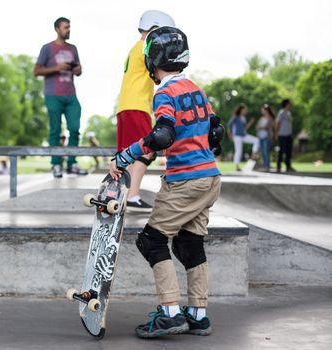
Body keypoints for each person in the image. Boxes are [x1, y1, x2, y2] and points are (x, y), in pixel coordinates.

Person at [110, 26, 224, 338]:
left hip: (184, 181)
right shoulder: (196, 89)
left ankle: (171, 313)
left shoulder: (164, 92)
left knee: (152, 240)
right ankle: (198, 315)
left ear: (151, 61)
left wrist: (125, 156)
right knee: (189, 243)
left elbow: (162, 134)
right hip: (210, 178)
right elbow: (216, 131)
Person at [116, 10, 175, 212]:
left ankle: (123, 194)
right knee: (147, 151)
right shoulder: (145, 47)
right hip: (137, 105)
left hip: (126, 106)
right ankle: (132, 196)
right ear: (155, 29)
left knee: (130, 153)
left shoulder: (136, 47)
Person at [34, 17, 88, 178]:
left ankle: (72, 164)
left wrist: (77, 68)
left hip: (70, 94)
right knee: (55, 130)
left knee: (74, 128)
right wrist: (57, 67)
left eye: (69, 27)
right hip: (53, 94)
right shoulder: (47, 48)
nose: (68, 30)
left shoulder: (73, 48)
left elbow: (78, 72)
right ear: (57, 29)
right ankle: (56, 164)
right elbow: (36, 71)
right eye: (65, 27)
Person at [227, 104, 259, 171]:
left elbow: (245, 128)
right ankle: (237, 166)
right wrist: (230, 135)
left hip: (244, 135)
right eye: (245, 109)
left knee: (256, 140)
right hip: (237, 136)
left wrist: (250, 122)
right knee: (238, 151)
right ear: (241, 110)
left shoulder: (243, 118)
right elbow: (229, 125)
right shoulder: (235, 117)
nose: (246, 111)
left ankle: (253, 155)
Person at [276, 99, 296, 172]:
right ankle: (278, 166)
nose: (290, 105)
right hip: (282, 135)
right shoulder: (281, 112)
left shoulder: (289, 113)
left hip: (288, 135)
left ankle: (288, 166)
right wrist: (277, 133)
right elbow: (278, 123)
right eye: (289, 104)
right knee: (281, 151)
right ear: (286, 104)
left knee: (288, 151)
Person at [256, 104, 275, 170]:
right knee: (263, 152)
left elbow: (268, 128)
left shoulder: (270, 118)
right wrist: (261, 128)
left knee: (266, 152)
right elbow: (257, 127)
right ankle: (265, 165)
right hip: (261, 137)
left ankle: (267, 165)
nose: (262, 111)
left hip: (267, 137)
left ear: (266, 110)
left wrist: (262, 127)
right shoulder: (261, 118)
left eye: (263, 109)